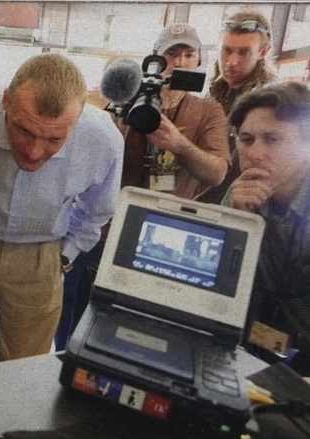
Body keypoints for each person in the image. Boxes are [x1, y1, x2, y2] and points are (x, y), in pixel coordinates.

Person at [0, 53, 124, 433]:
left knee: (19, 376)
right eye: (24, 130)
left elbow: (97, 211)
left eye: (54, 139)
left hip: (43, 254)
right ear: (6, 102)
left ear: (78, 119)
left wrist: (63, 257)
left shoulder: (104, 141)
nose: (33, 151)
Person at [54, 24, 232, 350]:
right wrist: (122, 117)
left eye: (188, 54)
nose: (180, 62)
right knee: (76, 325)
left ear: (199, 60)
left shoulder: (208, 110)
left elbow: (217, 172)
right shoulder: (127, 97)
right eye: (171, 54)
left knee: (141, 333)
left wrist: (178, 143)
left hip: (166, 240)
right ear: (156, 61)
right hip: (105, 233)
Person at [222, 82, 310, 376]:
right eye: (246, 140)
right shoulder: (240, 195)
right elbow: (216, 284)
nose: (255, 153)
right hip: (252, 347)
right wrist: (237, 222)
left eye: (272, 139)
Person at [196, 9, 278, 204]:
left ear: (263, 52)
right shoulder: (216, 90)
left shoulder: (268, 101)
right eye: (227, 50)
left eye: (244, 52)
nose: (232, 62)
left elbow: (235, 172)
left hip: (233, 204)